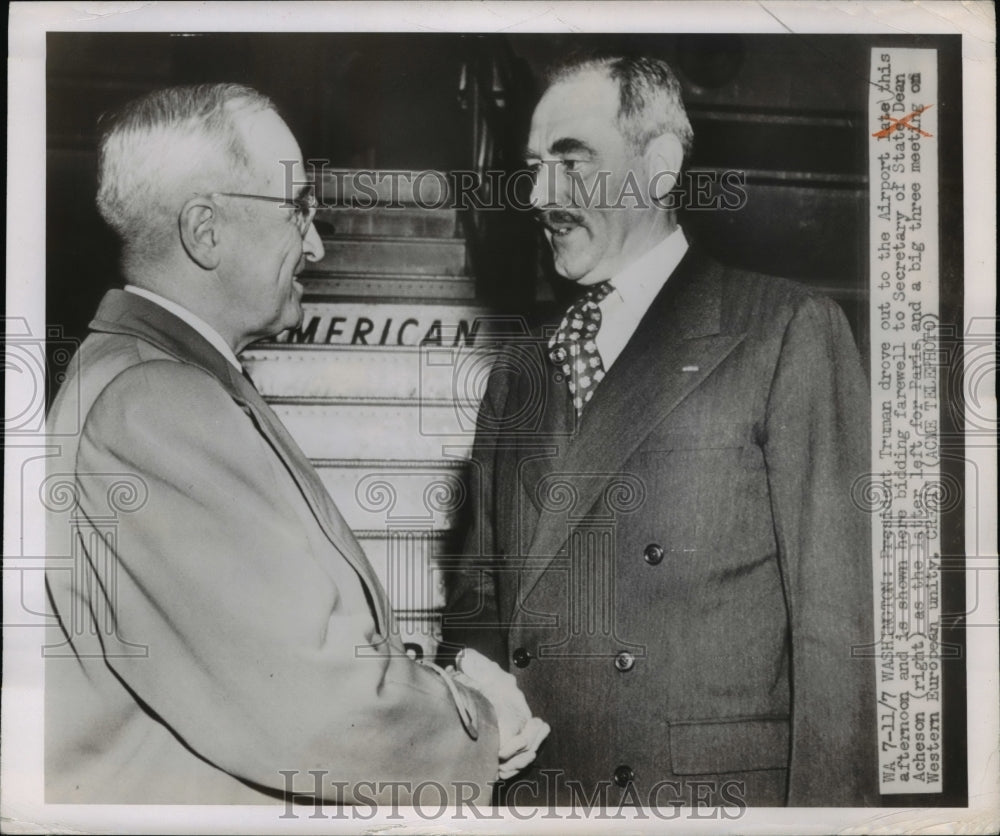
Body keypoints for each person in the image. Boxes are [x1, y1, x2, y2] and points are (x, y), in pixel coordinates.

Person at [44, 82, 547, 806]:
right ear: (205, 230)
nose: (315, 242)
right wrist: (480, 717)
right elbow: (313, 704)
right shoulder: (155, 405)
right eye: (297, 209)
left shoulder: (156, 379)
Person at [442, 55, 877, 807]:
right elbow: (479, 605)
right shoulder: (519, 370)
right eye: (534, 167)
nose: (541, 195)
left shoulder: (784, 331)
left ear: (660, 167)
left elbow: (841, 642)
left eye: (572, 163)